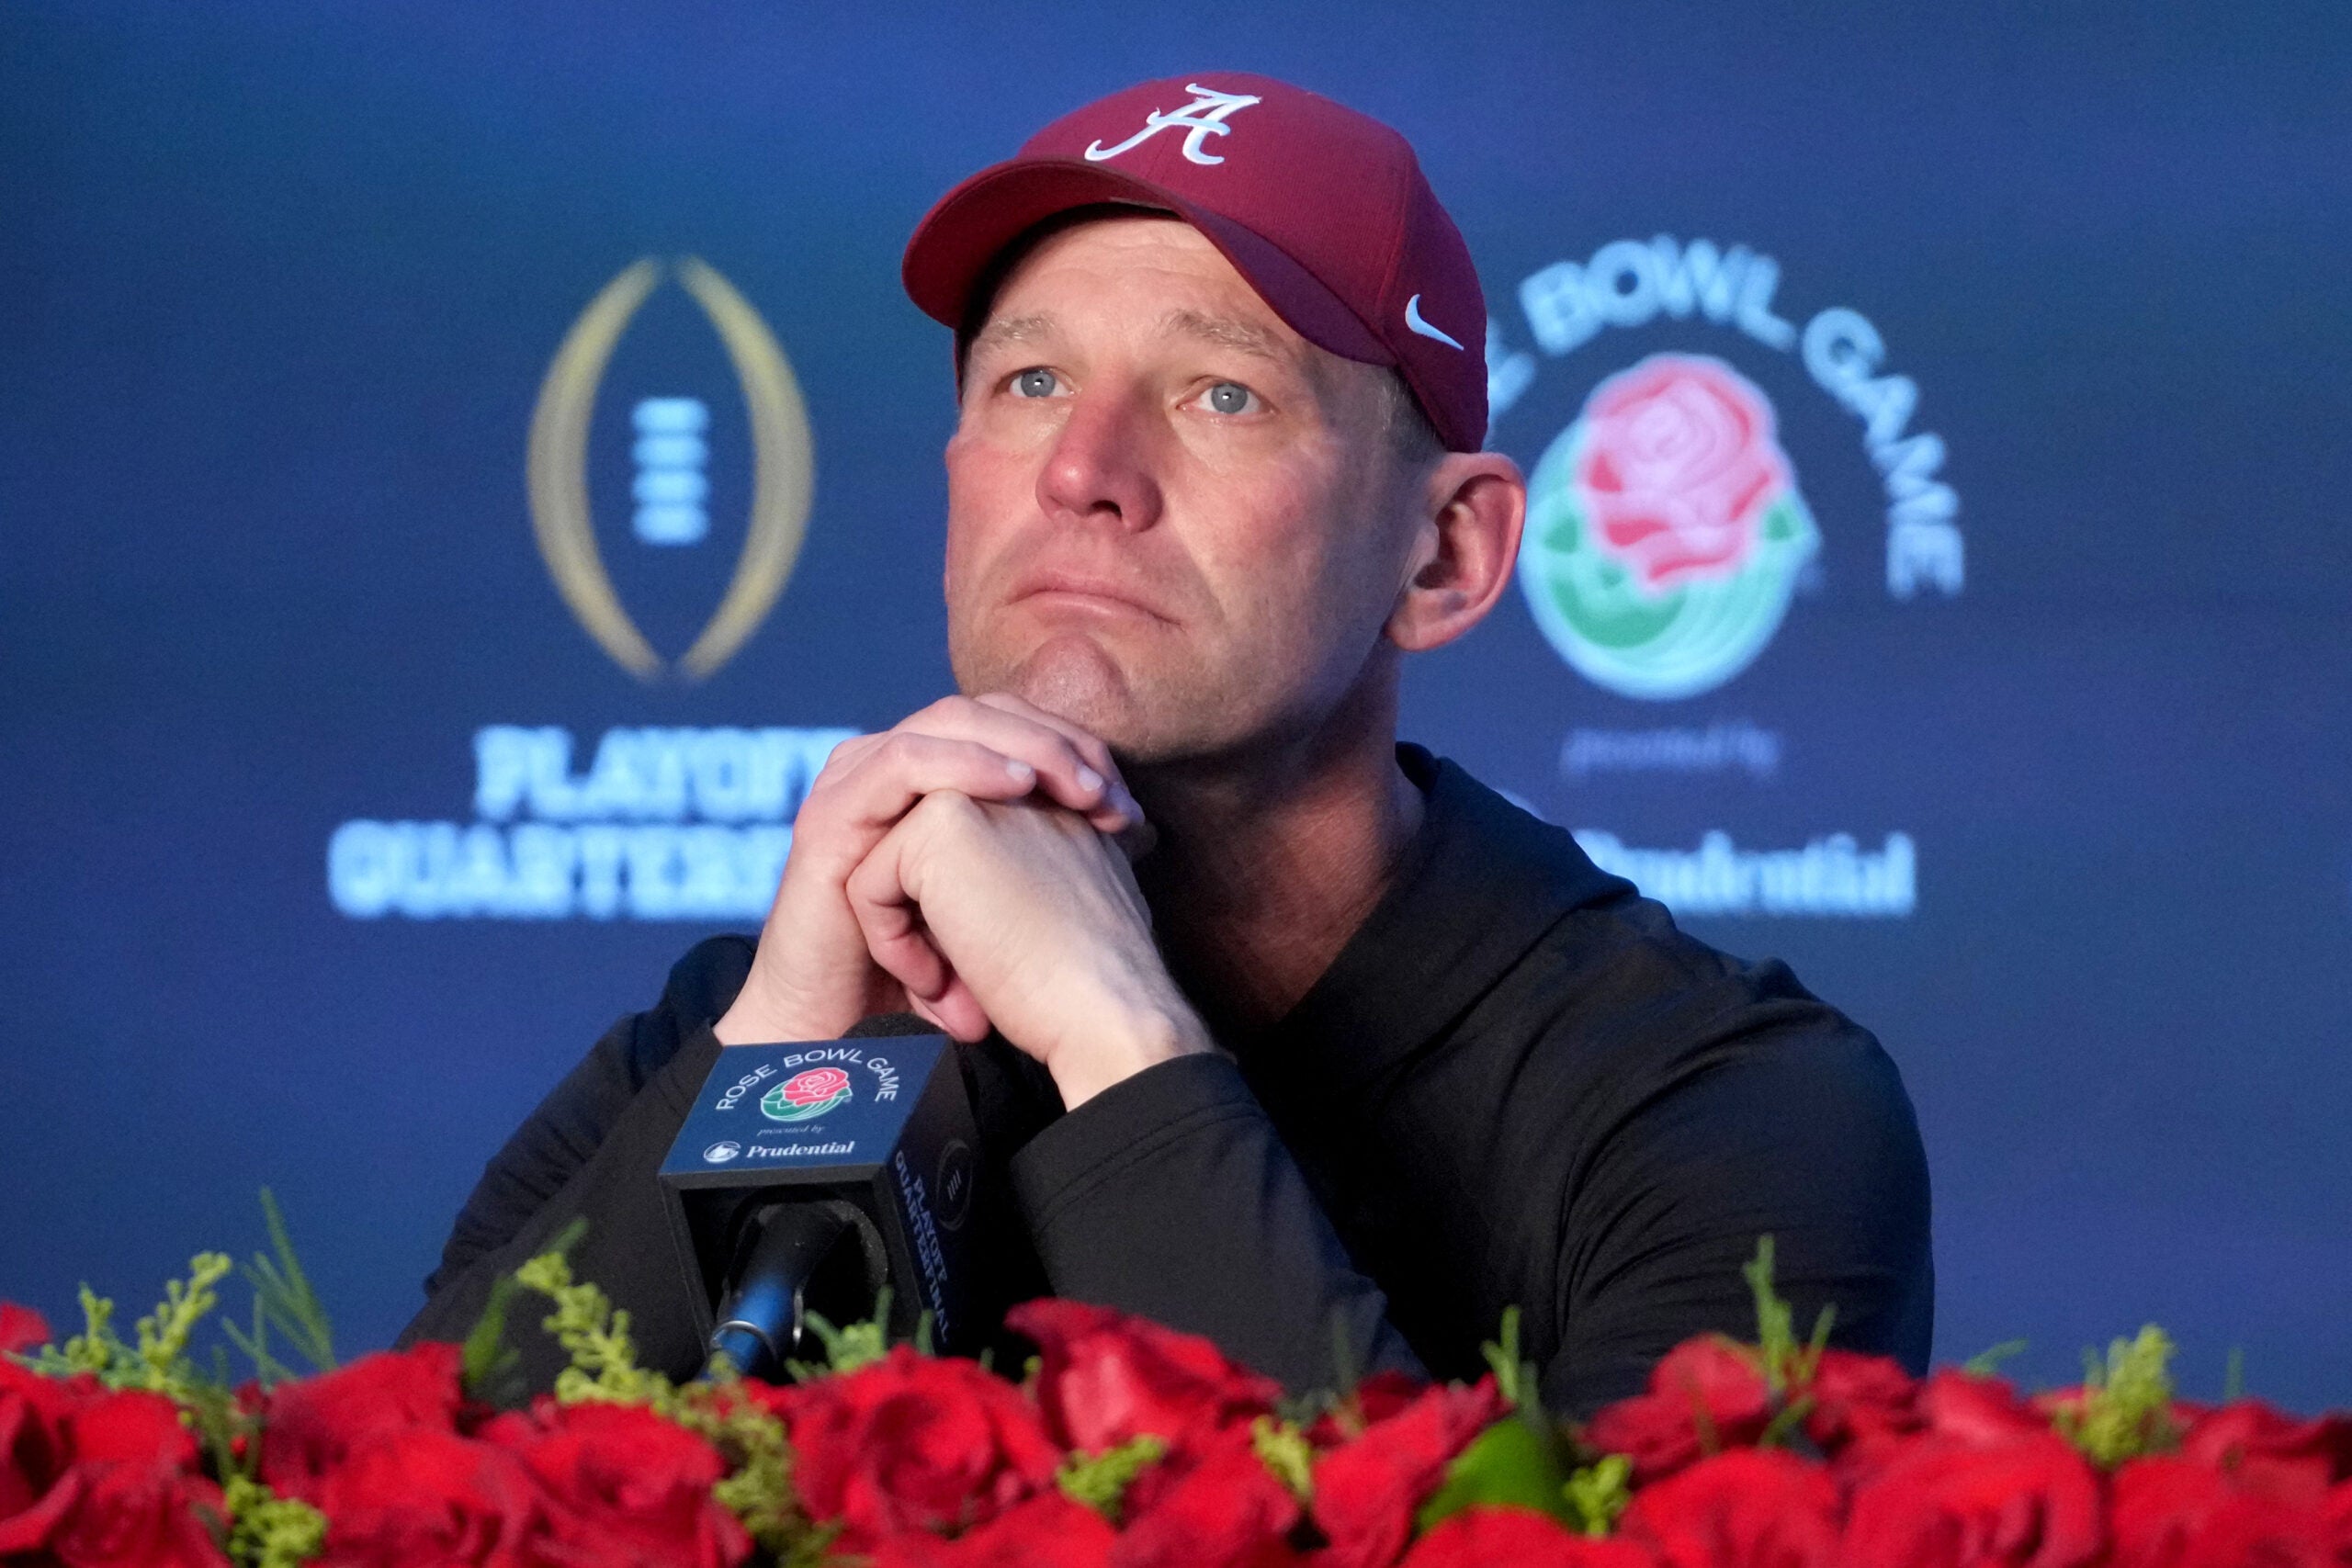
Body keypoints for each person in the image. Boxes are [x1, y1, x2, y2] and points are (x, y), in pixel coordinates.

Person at [401, 72, 1932, 1413]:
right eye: (1032, 379)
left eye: (1221, 393)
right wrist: (788, 1054)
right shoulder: (755, 1019)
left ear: (1447, 555)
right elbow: (394, 1504)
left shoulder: (1720, 1109)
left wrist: (1124, 1048)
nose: (1082, 468)